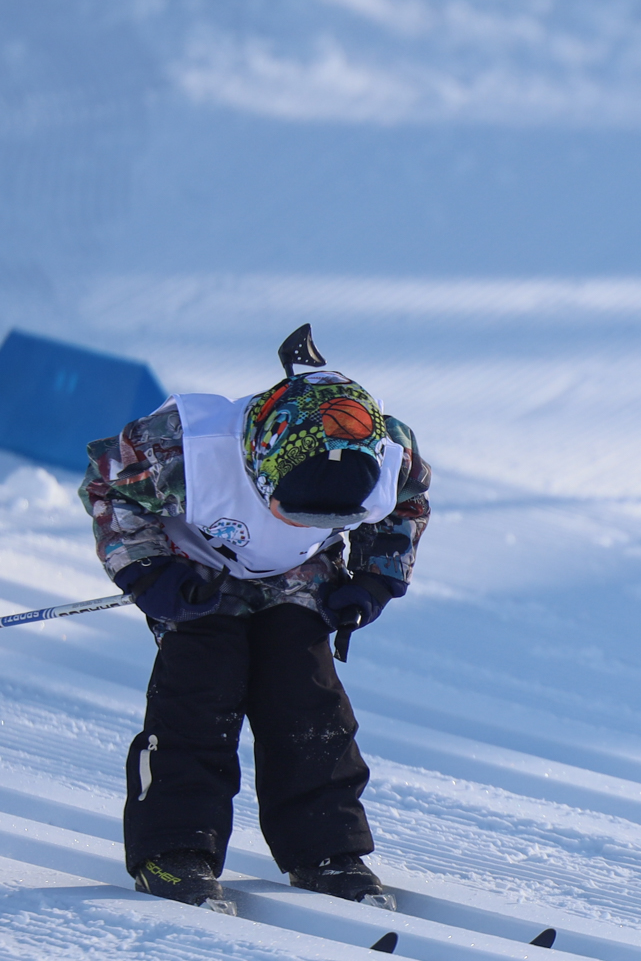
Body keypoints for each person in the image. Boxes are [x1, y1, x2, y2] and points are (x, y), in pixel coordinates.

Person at [78, 329, 430, 913]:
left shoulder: (390, 453)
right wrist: (150, 574)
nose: (302, 519)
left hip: (300, 572)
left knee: (306, 696)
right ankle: (175, 849)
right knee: (201, 688)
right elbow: (109, 487)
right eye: (293, 508)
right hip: (198, 566)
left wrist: (374, 577)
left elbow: (407, 506)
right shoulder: (189, 449)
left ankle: (326, 849)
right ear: (260, 463)